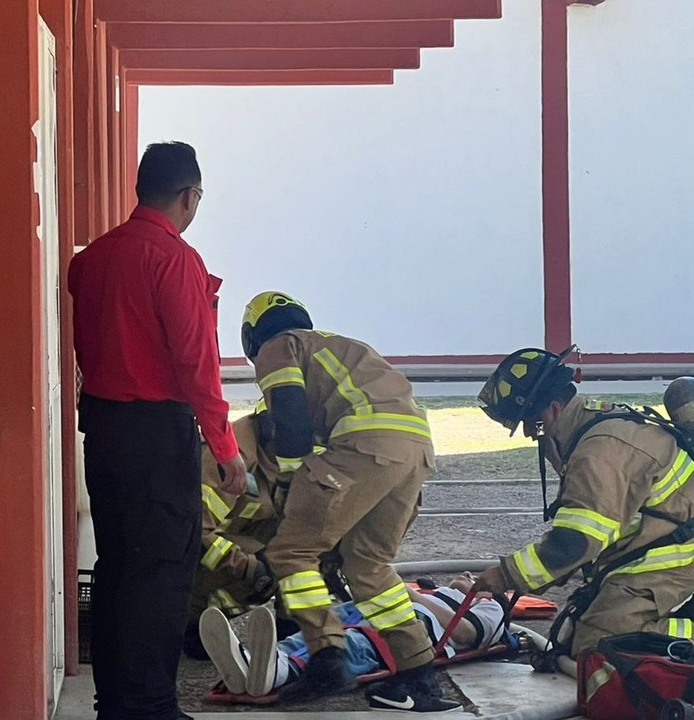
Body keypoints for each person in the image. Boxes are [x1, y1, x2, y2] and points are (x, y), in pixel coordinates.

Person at [69, 141, 245, 720]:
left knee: (117, 565)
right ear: (189, 196)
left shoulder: (91, 259)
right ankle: (149, 707)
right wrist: (226, 449)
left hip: (104, 429)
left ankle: (116, 702)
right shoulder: (175, 260)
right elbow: (198, 363)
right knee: (162, 570)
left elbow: (85, 347)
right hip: (156, 433)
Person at [240, 291, 457, 713]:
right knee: (367, 565)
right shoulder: (340, 345)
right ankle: (418, 677)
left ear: (251, 336)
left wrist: (290, 478)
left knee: (291, 551)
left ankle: (327, 658)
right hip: (415, 452)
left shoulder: (277, 347)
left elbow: (289, 417)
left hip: (364, 445)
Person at [471, 347, 694, 658]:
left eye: (533, 423)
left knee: (598, 643)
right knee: (571, 632)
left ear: (554, 409)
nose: (530, 434)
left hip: (672, 557)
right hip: (643, 547)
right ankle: (683, 619)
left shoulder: (598, 454)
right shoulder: (588, 425)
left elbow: (575, 542)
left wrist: (506, 577)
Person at [200, 573, 507, 699]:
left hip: (412, 625)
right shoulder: (437, 591)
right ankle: (258, 660)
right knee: (326, 625)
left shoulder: (492, 609)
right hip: (387, 608)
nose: (467, 576)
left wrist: (413, 598)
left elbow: (467, 633)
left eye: (471, 578)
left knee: (358, 643)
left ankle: (279, 671)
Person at [183, 404, 284, 660]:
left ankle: (290, 640)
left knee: (292, 555)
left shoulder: (275, 455)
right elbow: (192, 532)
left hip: (223, 548)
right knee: (269, 566)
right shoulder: (225, 459)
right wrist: (248, 566)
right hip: (186, 560)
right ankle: (191, 621)